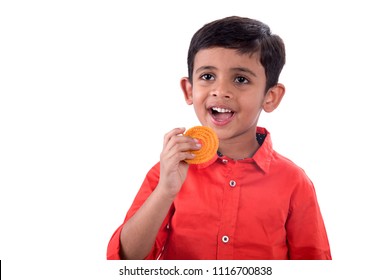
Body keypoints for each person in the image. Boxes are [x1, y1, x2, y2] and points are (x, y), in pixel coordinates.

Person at [107, 16, 331, 260]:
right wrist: (165, 192)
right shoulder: (167, 173)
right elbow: (126, 262)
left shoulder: (294, 182)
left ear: (270, 97)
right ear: (189, 89)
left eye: (241, 79)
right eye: (207, 77)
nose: (221, 90)